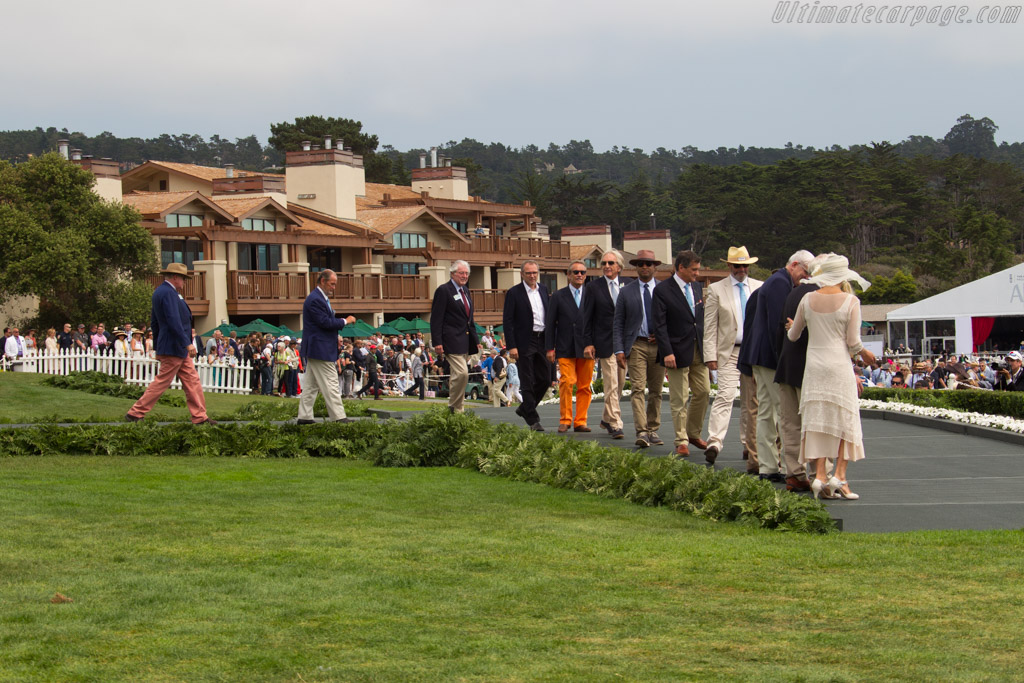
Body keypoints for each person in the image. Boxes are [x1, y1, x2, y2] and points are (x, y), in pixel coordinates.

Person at [786, 254, 876, 500]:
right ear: (844, 275)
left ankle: (819, 476)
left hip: (815, 367)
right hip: (838, 365)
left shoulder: (807, 298)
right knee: (844, 421)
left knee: (817, 421)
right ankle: (839, 475)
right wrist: (865, 353)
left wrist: (793, 326)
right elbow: (853, 342)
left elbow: (793, 336)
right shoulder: (850, 301)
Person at [747, 249, 815, 483]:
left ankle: (768, 465)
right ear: (794, 265)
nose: (805, 278)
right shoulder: (779, 283)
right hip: (769, 356)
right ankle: (789, 468)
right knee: (783, 413)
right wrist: (783, 358)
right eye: (805, 272)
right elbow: (779, 323)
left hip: (760, 354)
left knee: (767, 412)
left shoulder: (777, 281)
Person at [126, 263, 215, 424]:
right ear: (175, 277)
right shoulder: (168, 293)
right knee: (163, 381)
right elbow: (173, 321)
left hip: (174, 347)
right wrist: (187, 343)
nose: (184, 282)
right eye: (183, 278)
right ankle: (136, 412)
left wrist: (159, 345)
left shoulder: (163, 292)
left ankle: (200, 416)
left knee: (192, 381)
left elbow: (155, 323)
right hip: (175, 347)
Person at [701, 246, 763, 463]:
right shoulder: (717, 289)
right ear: (729, 265)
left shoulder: (759, 287)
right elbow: (710, 326)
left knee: (751, 400)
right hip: (729, 351)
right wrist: (710, 355)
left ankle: (749, 443)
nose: (742, 269)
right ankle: (714, 442)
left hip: (753, 351)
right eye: (738, 265)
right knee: (725, 395)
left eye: (745, 265)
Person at [773, 253, 826, 492]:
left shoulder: (794, 292)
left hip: (787, 365)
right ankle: (818, 474)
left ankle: (794, 473)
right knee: (815, 424)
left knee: (791, 423)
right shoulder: (822, 296)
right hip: (811, 366)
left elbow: (780, 331)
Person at [652, 250, 708, 459]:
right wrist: (667, 352)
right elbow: (659, 324)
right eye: (693, 269)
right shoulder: (663, 290)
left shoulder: (696, 287)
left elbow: (699, 320)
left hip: (697, 348)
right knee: (680, 397)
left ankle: (693, 433)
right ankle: (681, 440)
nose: (697, 273)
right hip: (675, 351)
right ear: (681, 268)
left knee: (703, 392)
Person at [612, 250, 665, 448]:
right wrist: (619, 350)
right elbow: (618, 322)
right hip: (636, 344)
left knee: (657, 391)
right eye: (641, 264)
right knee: (637, 388)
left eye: (648, 264)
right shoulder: (626, 291)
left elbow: (670, 320)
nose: (645, 267)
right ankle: (641, 430)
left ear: (655, 267)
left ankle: (653, 429)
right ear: (635, 266)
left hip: (658, 346)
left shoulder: (663, 290)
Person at [581, 249, 629, 439]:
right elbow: (587, 317)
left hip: (625, 342)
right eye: (604, 263)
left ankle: (606, 418)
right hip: (605, 341)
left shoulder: (629, 285)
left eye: (610, 263)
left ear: (619, 266)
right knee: (611, 383)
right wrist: (588, 343)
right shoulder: (593, 287)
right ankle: (616, 423)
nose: (606, 266)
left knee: (620, 383)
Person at [297, 269, 356, 423]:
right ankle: (339, 417)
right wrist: (346, 320)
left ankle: (304, 417)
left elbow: (322, 325)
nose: (334, 288)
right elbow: (325, 323)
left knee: (311, 385)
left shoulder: (318, 298)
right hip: (320, 349)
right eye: (332, 284)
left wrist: (335, 337)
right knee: (331, 382)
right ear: (322, 281)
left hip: (318, 347)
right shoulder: (316, 299)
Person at [546, 260, 594, 433]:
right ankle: (565, 419)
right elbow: (550, 323)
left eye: (582, 272)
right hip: (565, 346)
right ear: (568, 275)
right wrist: (550, 347)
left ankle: (580, 421)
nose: (579, 275)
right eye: (575, 272)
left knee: (585, 386)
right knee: (567, 382)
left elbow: (597, 321)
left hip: (587, 347)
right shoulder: (558, 296)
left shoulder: (591, 294)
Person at [503, 260, 550, 431]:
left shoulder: (544, 290)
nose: (532, 276)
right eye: (529, 273)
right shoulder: (514, 293)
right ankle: (533, 419)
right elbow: (507, 321)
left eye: (535, 273)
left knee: (545, 378)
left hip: (542, 338)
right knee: (527, 380)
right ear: (522, 274)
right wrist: (512, 345)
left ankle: (524, 408)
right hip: (524, 340)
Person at [430, 260, 480, 413]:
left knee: (456, 377)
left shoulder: (466, 291)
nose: (464, 276)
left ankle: (458, 408)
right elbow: (436, 318)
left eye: (466, 273)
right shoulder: (444, 290)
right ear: (452, 274)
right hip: (450, 340)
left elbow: (469, 319)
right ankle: (454, 405)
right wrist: (437, 341)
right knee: (462, 373)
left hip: (465, 341)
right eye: (461, 273)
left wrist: (476, 341)